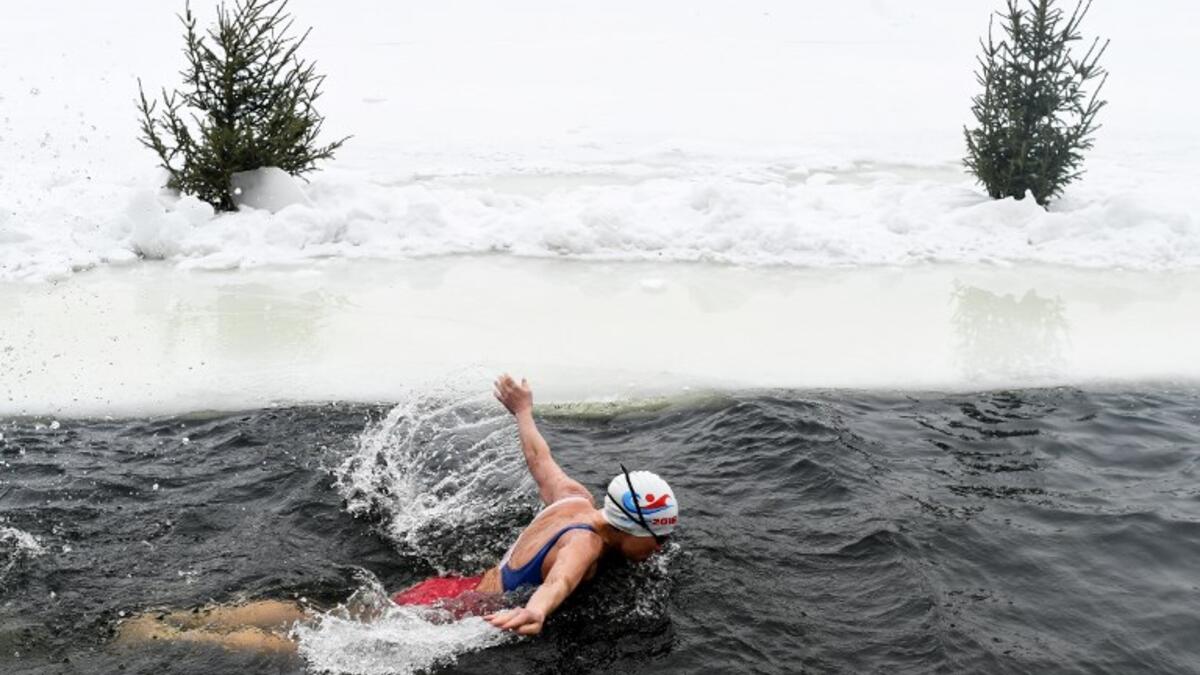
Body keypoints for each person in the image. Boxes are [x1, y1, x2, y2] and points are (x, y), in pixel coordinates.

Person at [115, 374, 678, 649]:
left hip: (452, 588)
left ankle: (189, 618)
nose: (661, 550)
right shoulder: (584, 544)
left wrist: (523, 411)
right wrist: (538, 610)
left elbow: (540, 458)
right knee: (311, 643)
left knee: (323, 616)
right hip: (460, 610)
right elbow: (562, 578)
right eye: (660, 539)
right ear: (636, 528)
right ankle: (171, 636)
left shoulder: (574, 500)